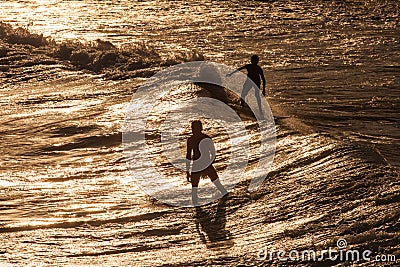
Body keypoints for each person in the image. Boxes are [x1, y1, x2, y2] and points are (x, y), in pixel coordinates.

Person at [186, 120, 227, 206]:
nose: (193, 130)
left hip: (206, 164)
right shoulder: (190, 140)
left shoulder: (206, 139)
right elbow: (188, 156)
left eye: (195, 128)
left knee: (219, 185)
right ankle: (197, 212)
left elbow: (213, 154)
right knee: (194, 190)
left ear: (200, 129)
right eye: (193, 128)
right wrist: (187, 172)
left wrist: (206, 166)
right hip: (196, 166)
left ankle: (226, 204)